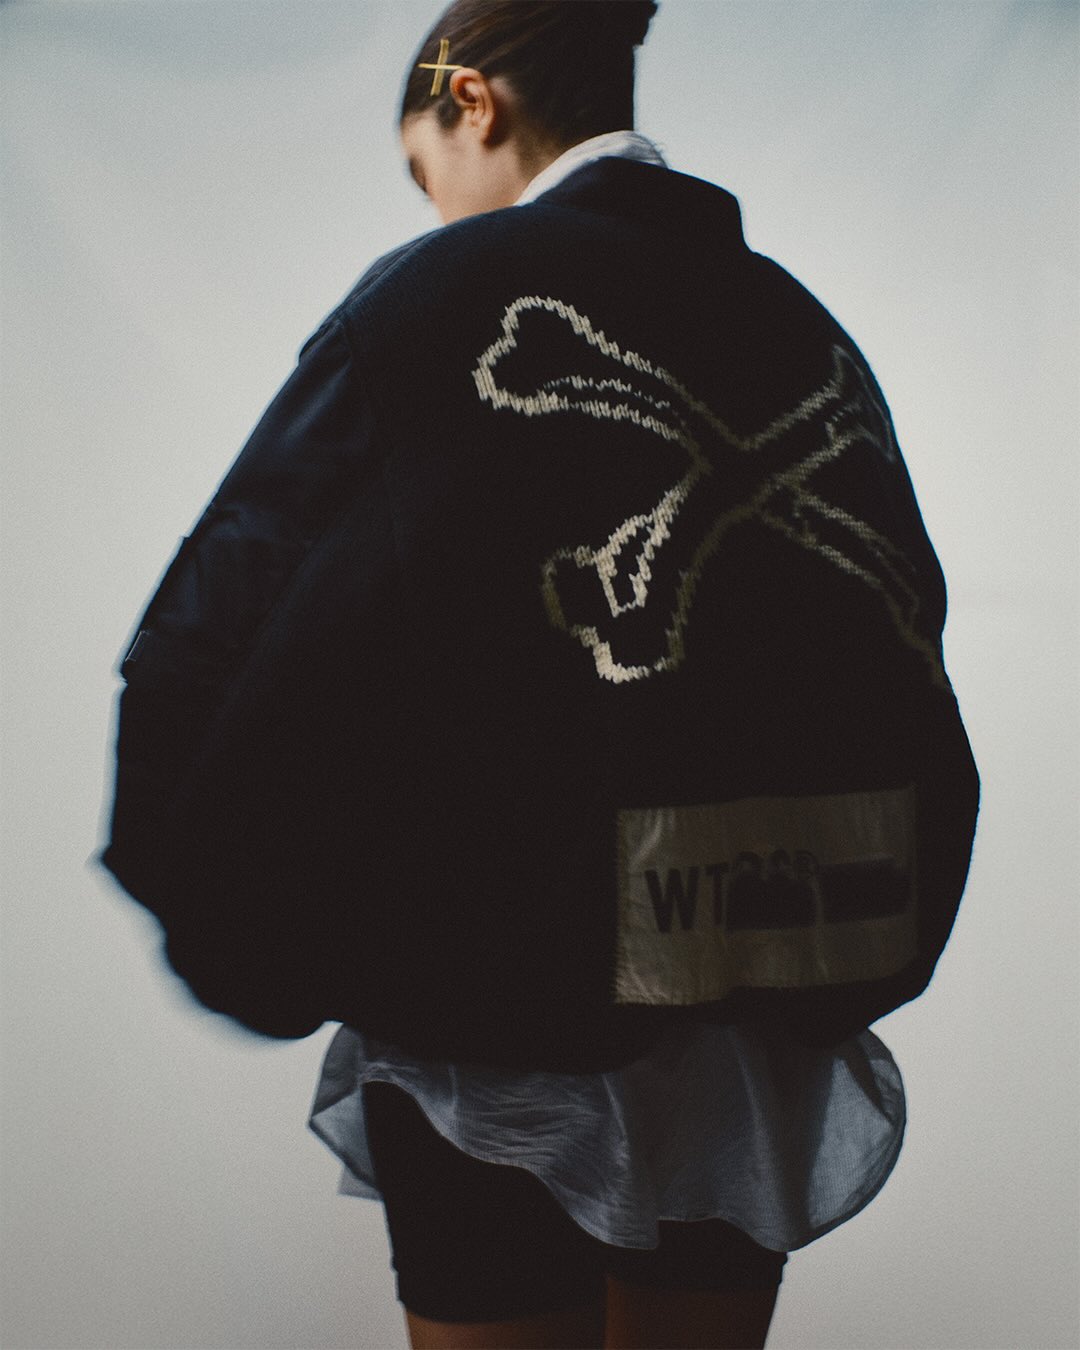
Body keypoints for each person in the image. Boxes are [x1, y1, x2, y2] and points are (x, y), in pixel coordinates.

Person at [100, 2, 979, 1347]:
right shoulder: (800, 325)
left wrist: (233, 913)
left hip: (499, 1012)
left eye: (425, 169)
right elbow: (893, 643)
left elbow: (234, 621)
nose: (436, 207)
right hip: (756, 1016)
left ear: (473, 100)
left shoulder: (431, 303)